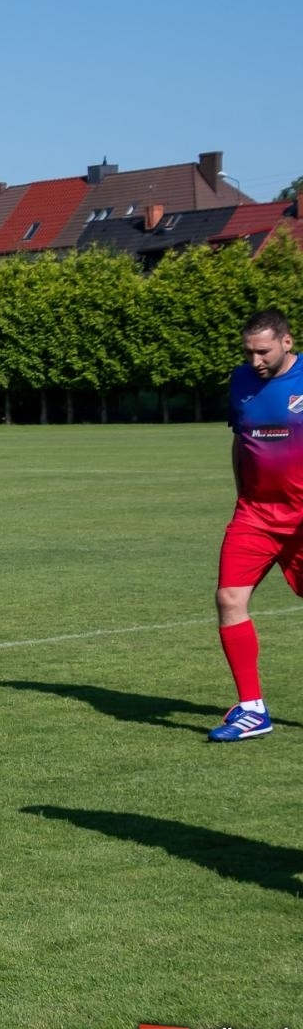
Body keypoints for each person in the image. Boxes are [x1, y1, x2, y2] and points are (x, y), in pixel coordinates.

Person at [212, 309, 302, 741]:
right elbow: (240, 439)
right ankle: (252, 710)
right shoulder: (241, 381)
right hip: (255, 515)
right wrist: (241, 496)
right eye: (248, 352)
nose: (255, 361)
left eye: (262, 352)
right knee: (229, 599)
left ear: (287, 342)